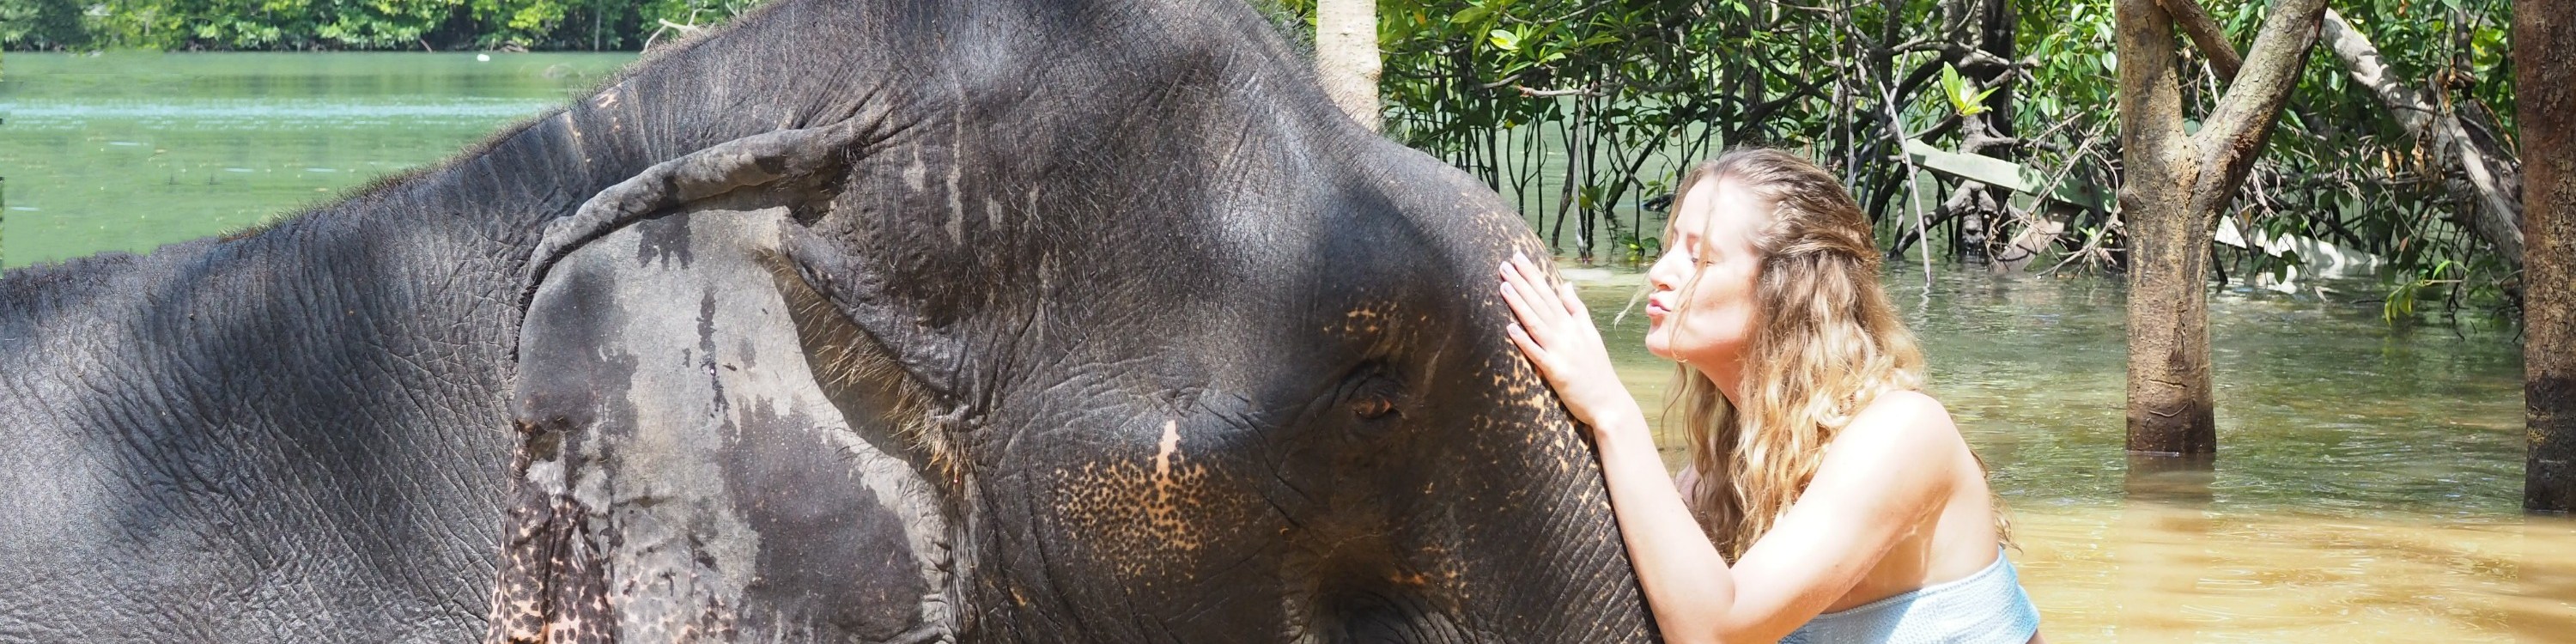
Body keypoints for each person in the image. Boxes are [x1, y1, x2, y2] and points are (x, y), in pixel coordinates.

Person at [1497, 149, 2042, 643]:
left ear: (1787, 290)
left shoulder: (1901, 433)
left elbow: (1715, 633)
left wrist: (1612, 410)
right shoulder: (1727, 465)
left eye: (1701, 258)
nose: (1661, 274)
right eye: (1669, 250)